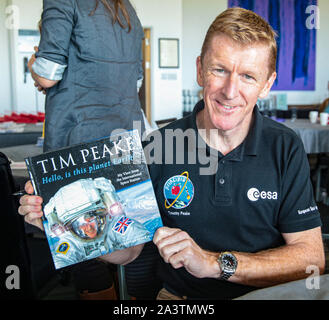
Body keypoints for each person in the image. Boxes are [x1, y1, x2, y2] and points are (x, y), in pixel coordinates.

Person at [20, 7, 325, 300]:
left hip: (268, 295)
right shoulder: (158, 146)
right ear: (199, 70)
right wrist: (58, 224)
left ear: (267, 84)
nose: (230, 91)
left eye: (248, 76)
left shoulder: (284, 146)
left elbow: (311, 257)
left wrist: (214, 263)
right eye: (219, 70)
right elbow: (128, 251)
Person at [28, 0, 145, 152]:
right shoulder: (126, 8)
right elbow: (135, 83)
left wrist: (33, 66)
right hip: (128, 136)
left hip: (78, 138)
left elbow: (47, 76)